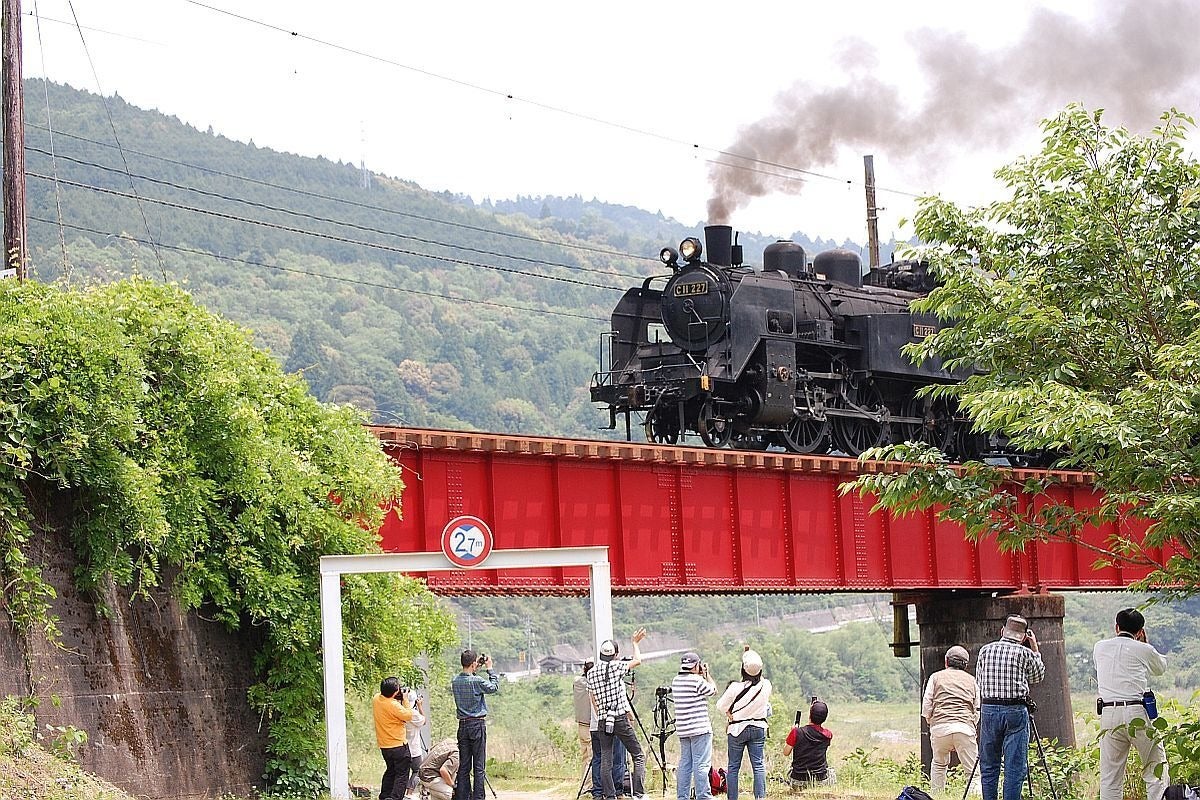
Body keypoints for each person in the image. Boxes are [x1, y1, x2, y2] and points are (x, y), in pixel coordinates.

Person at [1095, 608, 1169, 800]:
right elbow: (1160, 668)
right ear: (1140, 631)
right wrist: (1144, 644)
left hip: (1109, 713)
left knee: (1110, 777)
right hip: (1137, 711)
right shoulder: (1144, 649)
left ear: (1116, 627)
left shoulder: (1099, 647)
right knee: (1155, 768)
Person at [975, 614, 1045, 800]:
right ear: (1023, 637)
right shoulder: (1025, 653)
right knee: (1015, 767)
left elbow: (979, 682)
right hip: (1015, 710)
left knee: (989, 766)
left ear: (1002, 631)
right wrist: (1035, 649)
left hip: (989, 709)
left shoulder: (985, 650)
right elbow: (1038, 677)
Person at [587, 628, 648, 800]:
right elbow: (637, 660)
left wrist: (601, 713)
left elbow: (592, 697)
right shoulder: (617, 667)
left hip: (603, 720)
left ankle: (610, 795)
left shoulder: (591, 673)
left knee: (606, 758)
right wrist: (635, 642)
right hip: (619, 717)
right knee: (638, 755)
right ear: (615, 655)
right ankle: (638, 794)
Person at [921, 645, 980, 793]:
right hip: (964, 728)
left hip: (940, 728)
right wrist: (971, 726)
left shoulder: (935, 677)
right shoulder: (971, 680)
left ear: (946, 661)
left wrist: (932, 723)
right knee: (972, 772)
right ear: (965, 665)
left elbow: (927, 704)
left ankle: (937, 795)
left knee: (939, 765)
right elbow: (977, 708)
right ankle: (974, 796)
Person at [716, 647, 772, 800]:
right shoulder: (766, 685)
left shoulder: (735, 688)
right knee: (758, 765)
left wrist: (729, 712)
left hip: (737, 729)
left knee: (733, 767)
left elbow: (720, 706)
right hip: (758, 728)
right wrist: (749, 654)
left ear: (743, 669)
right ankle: (760, 797)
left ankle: (732, 798)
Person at [450, 649, 499, 800]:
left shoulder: (455, 681)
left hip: (462, 726)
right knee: (479, 766)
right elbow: (493, 687)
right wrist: (489, 668)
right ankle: (478, 798)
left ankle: (463, 797)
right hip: (477, 725)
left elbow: (469, 678)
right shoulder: (477, 681)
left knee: (464, 765)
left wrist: (474, 668)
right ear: (473, 664)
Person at [672, 651, 718, 800]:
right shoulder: (697, 681)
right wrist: (707, 675)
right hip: (700, 729)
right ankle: (703, 796)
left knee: (685, 764)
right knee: (701, 764)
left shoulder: (676, 680)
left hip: (684, 729)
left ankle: (682, 796)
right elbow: (713, 690)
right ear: (696, 665)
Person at [373, 676, 416, 800]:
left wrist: (396, 697)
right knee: (402, 775)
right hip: (398, 745)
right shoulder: (393, 706)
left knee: (390, 771)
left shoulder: (376, 699)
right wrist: (406, 699)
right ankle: (395, 798)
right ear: (394, 692)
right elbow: (408, 715)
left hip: (384, 745)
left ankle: (385, 796)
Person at [783, 699, 834, 788]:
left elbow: (786, 752)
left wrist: (793, 732)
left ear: (810, 715)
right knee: (832, 772)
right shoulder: (828, 735)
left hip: (797, 780)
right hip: (819, 780)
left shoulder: (796, 732)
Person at [575, 662, 596, 794]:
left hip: (581, 724)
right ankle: (588, 786)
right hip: (590, 725)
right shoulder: (592, 685)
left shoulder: (577, 683)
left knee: (585, 756)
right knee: (591, 757)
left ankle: (585, 784)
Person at [402, 689, 427, 799]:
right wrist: (420, 706)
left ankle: (402, 793)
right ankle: (409, 793)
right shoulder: (413, 714)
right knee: (417, 771)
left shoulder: (399, 711)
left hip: (401, 748)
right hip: (414, 749)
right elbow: (424, 721)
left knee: (402, 772)